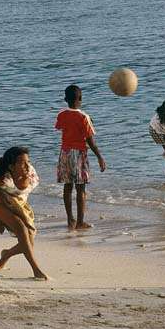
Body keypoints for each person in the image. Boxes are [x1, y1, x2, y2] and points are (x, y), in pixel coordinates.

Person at [0, 146, 48, 280]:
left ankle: (6, 255)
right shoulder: (3, 178)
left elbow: (22, 189)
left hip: (19, 202)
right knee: (21, 229)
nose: (27, 165)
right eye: (22, 162)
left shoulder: (31, 173)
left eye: (28, 161)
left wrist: (25, 171)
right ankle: (36, 270)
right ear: (11, 166)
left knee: (29, 241)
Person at [55, 85, 106, 230]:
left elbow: (60, 127)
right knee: (80, 188)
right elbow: (91, 141)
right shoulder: (84, 117)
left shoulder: (61, 114)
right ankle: (80, 222)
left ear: (66, 99)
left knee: (67, 186)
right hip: (79, 155)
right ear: (81, 99)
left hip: (64, 153)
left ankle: (70, 220)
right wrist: (100, 157)